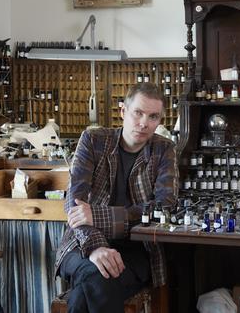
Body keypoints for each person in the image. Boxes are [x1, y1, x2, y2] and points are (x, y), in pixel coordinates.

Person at [55, 83, 178, 313]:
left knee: (87, 291)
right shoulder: (93, 140)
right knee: (97, 277)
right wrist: (95, 247)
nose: (143, 123)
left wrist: (98, 216)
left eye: (153, 117)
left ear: (160, 121)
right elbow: (75, 203)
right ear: (123, 112)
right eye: (138, 113)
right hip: (81, 243)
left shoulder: (163, 150)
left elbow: (164, 208)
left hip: (135, 250)